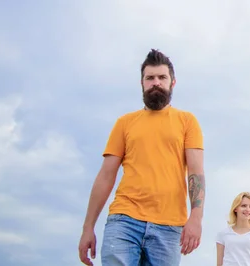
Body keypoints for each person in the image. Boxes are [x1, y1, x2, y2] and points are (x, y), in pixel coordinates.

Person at [78, 49, 206, 266]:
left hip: (169, 225)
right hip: (124, 219)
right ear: (142, 83)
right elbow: (106, 175)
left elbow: (196, 172)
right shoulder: (124, 123)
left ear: (172, 82)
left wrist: (196, 217)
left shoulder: (187, 121)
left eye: (162, 77)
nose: (156, 82)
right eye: (150, 78)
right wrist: (88, 227)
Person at [216, 192, 250, 266]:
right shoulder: (222, 234)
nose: (248, 209)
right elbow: (219, 264)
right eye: (243, 206)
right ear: (235, 208)